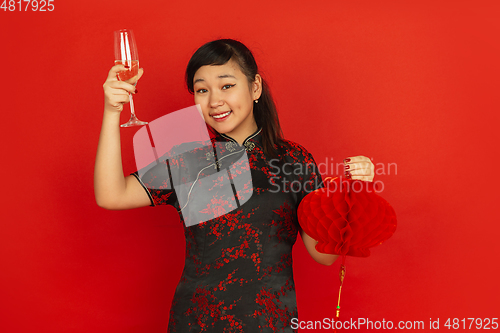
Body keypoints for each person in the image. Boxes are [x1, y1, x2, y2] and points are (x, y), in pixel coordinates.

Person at [95, 39, 374, 332]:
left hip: (270, 323)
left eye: (226, 86)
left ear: (255, 88)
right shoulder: (188, 159)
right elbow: (111, 194)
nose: (214, 100)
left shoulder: (293, 160)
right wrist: (112, 112)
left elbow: (324, 255)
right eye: (202, 90)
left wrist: (353, 194)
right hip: (196, 322)